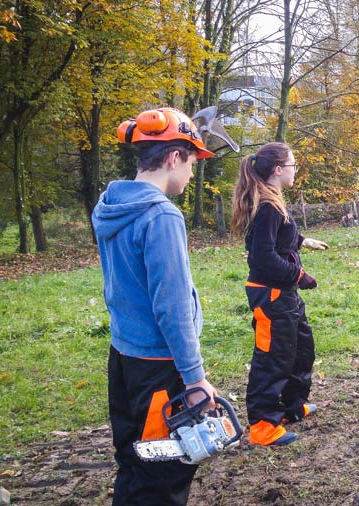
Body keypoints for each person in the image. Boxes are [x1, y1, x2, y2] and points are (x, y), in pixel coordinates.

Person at [92, 107, 219, 504]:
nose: (192, 173)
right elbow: (172, 307)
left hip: (125, 357)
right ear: (173, 157)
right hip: (159, 368)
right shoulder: (161, 215)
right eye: (193, 162)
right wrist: (195, 379)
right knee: (164, 471)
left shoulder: (108, 205)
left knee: (134, 458)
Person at [231, 142, 328, 446]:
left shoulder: (274, 202)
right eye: (292, 165)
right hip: (270, 294)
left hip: (283, 294)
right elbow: (262, 257)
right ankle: (263, 424)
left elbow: (279, 238)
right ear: (277, 170)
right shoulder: (268, 206)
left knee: (300, 349)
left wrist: (302, 241)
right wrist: (299, 275)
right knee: (273, 358)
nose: (295, 170)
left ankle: (290, 406)